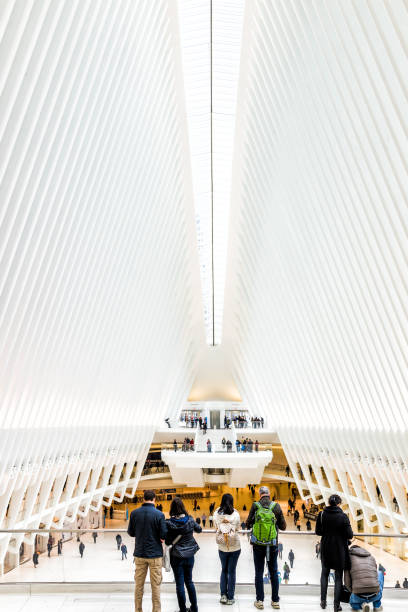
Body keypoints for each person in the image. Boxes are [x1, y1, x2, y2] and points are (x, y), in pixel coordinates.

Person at [246, 485, 286, 610]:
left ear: (260, 495)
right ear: (269, 494)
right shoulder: (276, 506)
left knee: (258, 572)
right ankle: (275, 601)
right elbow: (283, 526)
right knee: (273, 572)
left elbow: (248, 524)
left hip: (258, 544)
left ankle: (260, 600)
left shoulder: (255, 506)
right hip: (272, 545)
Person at [128, 489, 167, 612]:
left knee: (138, 586)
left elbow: (131, 532)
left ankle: (138, 610)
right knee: (155, 587)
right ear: (154, 499)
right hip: (155, 555)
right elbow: (163, 534)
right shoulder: (159, 515)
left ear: (143, 498)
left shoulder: (134, 513)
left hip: (139, 554)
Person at [316, 494, 353, 611]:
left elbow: (318, 531)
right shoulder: (343, 516)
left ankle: (323, 601)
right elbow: (350, 535)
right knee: (338, 577)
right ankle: (336, 605)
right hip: (339, 549)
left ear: (329, 502)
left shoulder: (322, 514)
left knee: (324, 574)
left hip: (326, 548)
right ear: (339, 503)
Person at [165, 497, 201, 612]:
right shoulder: (189, 520)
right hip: (190, 555)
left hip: (177, 556)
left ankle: (182, 609)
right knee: (189, 581)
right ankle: (194, 608)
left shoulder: (169, 523)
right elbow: (199, 529)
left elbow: (167, 541)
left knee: (179, 584)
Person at [214, 493, 241, 605]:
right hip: (235, 546)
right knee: (232, 571)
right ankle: (231, 597)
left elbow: (216, 526)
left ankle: (223, 596)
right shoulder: (235, 514)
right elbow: (238, 528)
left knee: (224, 570)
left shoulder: (216, 513)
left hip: (222, 547)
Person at [344, 545, 383, 611]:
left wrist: (353, 591)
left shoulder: (348, 559)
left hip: (358, 595)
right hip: (374, 594)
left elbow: (346, 581)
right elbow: (375, 575)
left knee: (353, 604)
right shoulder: (371, 557)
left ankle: (361, 606)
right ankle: (377, 606)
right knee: (380, 573)